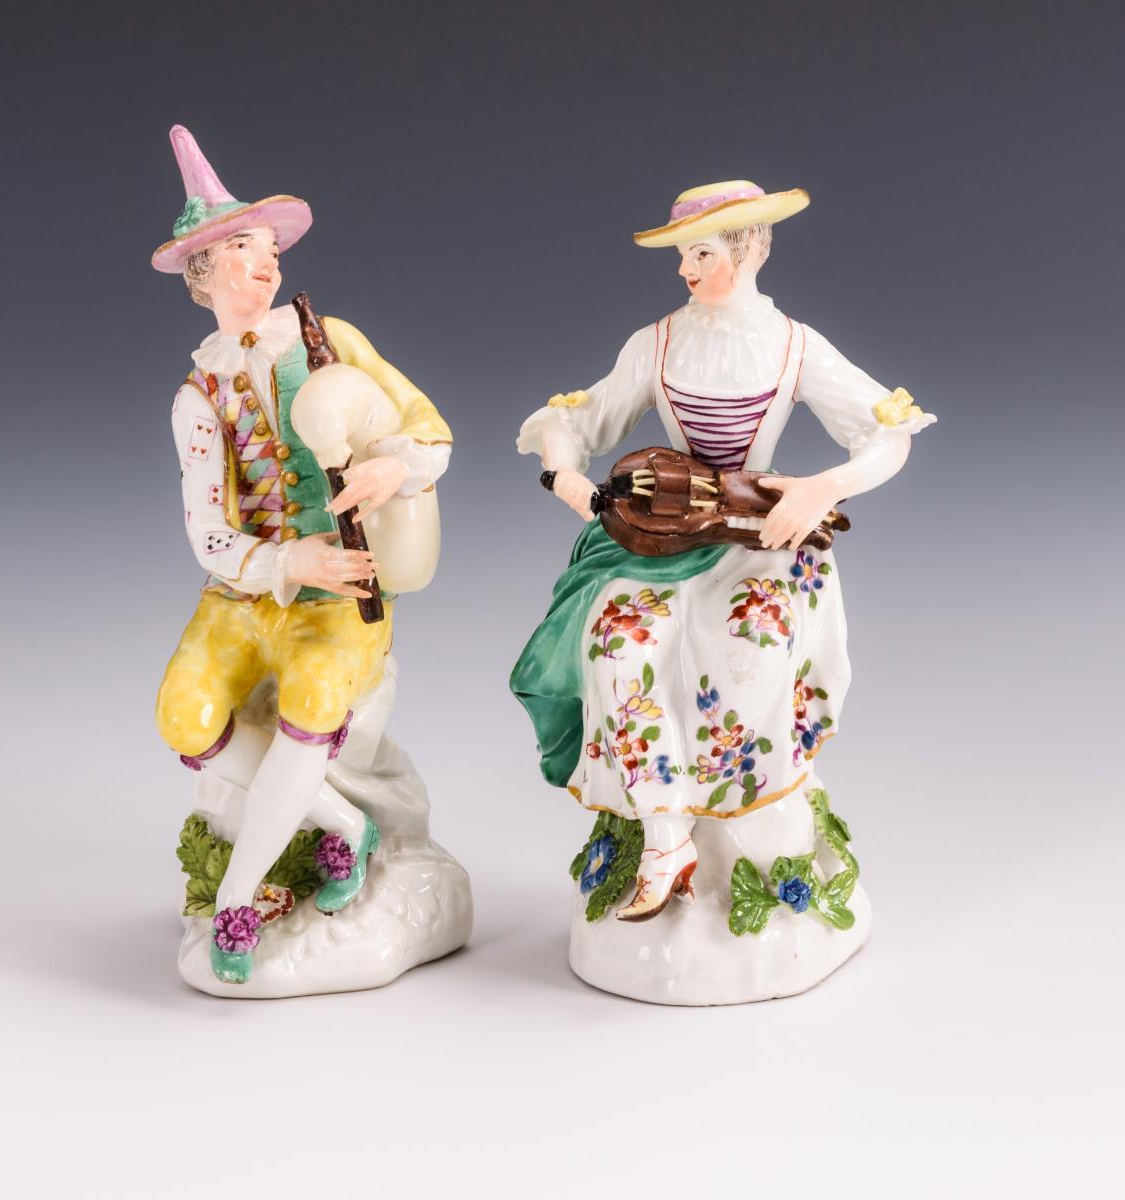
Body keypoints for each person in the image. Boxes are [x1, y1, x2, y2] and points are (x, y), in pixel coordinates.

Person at [512, 180, 933, 923]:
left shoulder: (794, 346)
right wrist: (563, 471)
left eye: (701, 254)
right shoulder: (657, 343)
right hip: (662, 531)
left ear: (752, 250)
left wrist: (822, 488)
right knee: (617, 643)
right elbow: (578, 419)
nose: (685, 270)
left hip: (758, 534)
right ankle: (665, 836)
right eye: (682, 256)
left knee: (749, 644)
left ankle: (752, 826)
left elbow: (887, 432)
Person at [151, 126, 451, 982]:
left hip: (342, 589)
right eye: (242, 251)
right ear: (203, 275)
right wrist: (284, 565)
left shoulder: (331, 340)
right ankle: (341, 824)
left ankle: (237, 900)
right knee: (183, 711)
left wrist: (395, 468)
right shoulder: (198, 394)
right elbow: (208, 533)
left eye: (269, 249)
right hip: (246, 593)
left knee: (316, 696)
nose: (264, 264)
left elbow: (429, 431)